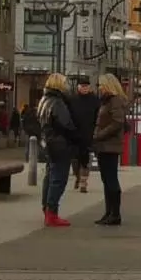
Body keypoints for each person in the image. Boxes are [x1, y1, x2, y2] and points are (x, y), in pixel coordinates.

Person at [36, 73, 76, 227]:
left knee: (50, 176)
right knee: (58, 179)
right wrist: (75, 134)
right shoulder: (58, 102)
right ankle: (52, 212)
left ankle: (47, 209)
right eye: (65, 83)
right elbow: (66, 124)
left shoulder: (44, 100)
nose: (67, 86)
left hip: (48, 143)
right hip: (60, 144)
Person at [92, 74, 128, 225]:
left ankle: (115, 214)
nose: (99, 88)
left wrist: (100, 134)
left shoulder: (115, 100)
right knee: (106, 180)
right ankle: (108, 212)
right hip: (103, 145)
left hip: (110, 145)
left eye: (101, 85)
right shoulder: (106, 101)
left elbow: (117, 122)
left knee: (111, 179)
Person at [68, 78, 100, 194]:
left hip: (88, 134)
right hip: (74, 134)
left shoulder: (95, 100)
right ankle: (78, 176)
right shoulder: (72, 100)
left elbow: (98, 116)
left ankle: (83, 182)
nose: (84, 88)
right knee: (75, 159)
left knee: (86, 159)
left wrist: (96, 131)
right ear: (78, 87)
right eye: (82, 86)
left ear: (89, 87)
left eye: (86, 86)